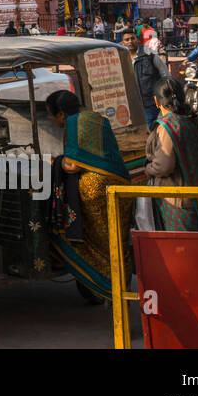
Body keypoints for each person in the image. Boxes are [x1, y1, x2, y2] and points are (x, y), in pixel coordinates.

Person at [45, 90, 132, 302]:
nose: (50, 119)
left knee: (84, 239)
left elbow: (73, 166)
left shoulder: (73, 124)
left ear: (63, 114)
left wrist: (57, 162)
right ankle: (122, 285)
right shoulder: (97, 118)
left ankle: (107, 286)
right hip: (121, 187)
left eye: (51, 114)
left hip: (95, 193)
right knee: (116, 241)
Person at [145, 77, 198, 231]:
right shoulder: (194, 122)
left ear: (156, 100)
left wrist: (148, 169)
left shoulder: (167, 127)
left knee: (182, 250)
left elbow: (163, 166)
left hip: (180, 201)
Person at [120, 28, 169, 127]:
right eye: (127, 40)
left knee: (148, 126)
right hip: (130, 104)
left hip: (150, 102)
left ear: (137, 40)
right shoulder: (120, 58)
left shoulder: (150, 54)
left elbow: (165, 75)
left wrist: (163, 96)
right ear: (122, 43)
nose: (130, 42)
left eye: (132, 38)